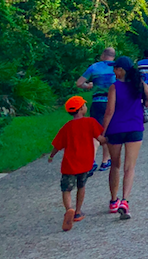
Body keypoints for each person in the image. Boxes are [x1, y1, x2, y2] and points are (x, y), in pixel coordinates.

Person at [100, 56, 148, 220]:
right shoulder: (138, 84)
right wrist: (140, 107)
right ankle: (125, 200)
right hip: (134, 127)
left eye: (115, 68)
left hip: (116, 129)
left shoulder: (114, 87)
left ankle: (113, 201)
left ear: (121, 70)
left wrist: (102, 133)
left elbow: (109, 112)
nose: (113, 71)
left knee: (115, 165)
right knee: (129, 167)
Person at [49, 96, 104, 231]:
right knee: (81, 186)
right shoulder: (91, 122)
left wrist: (51, 156)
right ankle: (78, 212)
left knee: (66, 189)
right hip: (85, 164)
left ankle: (69, 209)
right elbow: (100, 138)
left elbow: (57, 145)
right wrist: (111, 140)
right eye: (84, 105)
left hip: (69, 164)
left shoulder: (67, 127)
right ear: (81, 109)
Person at [76, 47, 116, 173]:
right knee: (108, 131)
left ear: (103, 55)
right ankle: (105, 161)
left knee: (96, 132)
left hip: (97, 102)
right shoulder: (117, 67)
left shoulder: (94, 67)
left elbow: (79, 83)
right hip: (112, 102)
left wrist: (87, 86)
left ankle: (91, 160)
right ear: (113, 56)